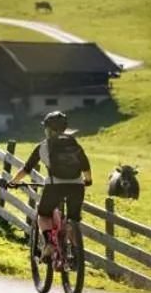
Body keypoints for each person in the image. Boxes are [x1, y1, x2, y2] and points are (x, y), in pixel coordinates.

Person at [10, 111, 92, 263]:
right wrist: (87, 181)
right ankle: (76, 254)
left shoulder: (43, 146)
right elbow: (86, 165)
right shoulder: (74, 144)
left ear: (48, 129)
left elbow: (27, 169)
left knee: (44, 214)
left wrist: (13, 181)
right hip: (77, 186)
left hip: (55, 186)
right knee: (73, 220)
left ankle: (49, 242)